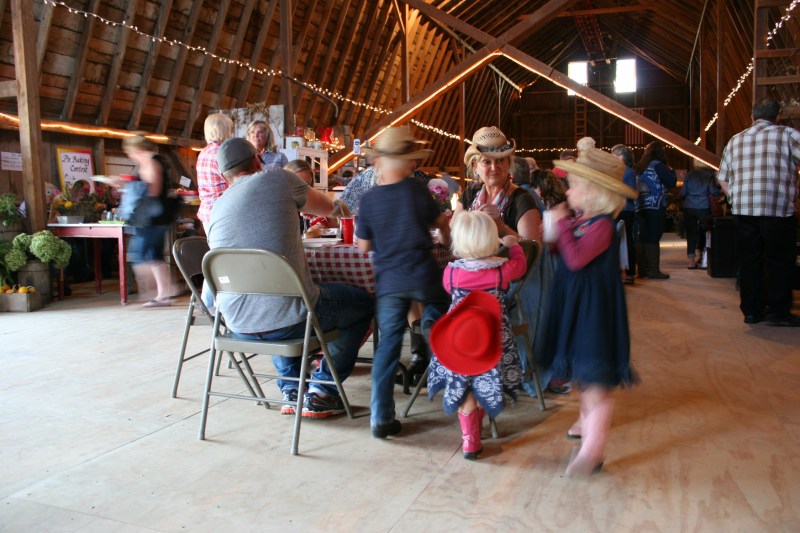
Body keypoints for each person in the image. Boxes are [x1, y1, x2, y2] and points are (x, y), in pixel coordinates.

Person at [207, 138, 373, 417]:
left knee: (274, 297)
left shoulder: (216, 208)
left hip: (235, 323)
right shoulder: (280, 180)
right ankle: (324, 390)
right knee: (362, 304)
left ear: (225, 176)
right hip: (290, 318)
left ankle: (292, 388)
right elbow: (329, 208)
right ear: (258, 161)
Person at [540, 137, 638, 476]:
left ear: (594, 191)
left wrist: (562, 226)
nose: (567, 193)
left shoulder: (603, 227)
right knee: (584, 370)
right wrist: (555, 237)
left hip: (594, 313)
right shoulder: (584, 221)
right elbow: (565, 254)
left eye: (573, 187)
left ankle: (593, 452)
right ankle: (586, 421)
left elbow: (579, 258)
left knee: (596, 376)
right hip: (577, 308)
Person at [355, 126, 452, 439]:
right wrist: (442, 240)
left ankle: (381, 418)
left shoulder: (369, 200)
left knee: (387, 346)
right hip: (424, 273)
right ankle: (430, 333)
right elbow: (438, 226)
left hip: (390, 284)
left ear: (379, 162)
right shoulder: (417, 191)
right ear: (409, 162)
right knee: (441, 310)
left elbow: (364, 247)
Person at [427, 210, 525, 460]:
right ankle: (478, 423)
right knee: (485, 382)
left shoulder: (452, 273)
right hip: (491, 341)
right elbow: (521, 267)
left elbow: (448, 290)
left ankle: (470, 440)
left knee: (464, 388)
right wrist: (513, 247)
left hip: (459, 341)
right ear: (491, 239)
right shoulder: (502, 271)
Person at [717, 97, 800, 327]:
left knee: (750, 260)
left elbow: (722, 177)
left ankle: (751, 311)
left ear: (752, 117)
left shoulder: (735, 140)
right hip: (777, 208)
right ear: (778, 117)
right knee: (779, 260)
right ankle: (778, 312)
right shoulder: (787, 135)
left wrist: (734, 197)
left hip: (744, 210)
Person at [122, 134, 179, 307]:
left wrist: (131, 187)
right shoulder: (153, 160)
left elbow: (153, 190)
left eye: (130, 152)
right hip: (154, 216)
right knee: (153, 254)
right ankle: (164, 293)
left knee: (140, 253)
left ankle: (160, 290)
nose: (130, 155)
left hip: (152, 217)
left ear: (136, 149)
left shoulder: (151, 161)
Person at [634, 140, 677, 279]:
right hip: (655, 205)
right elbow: (672, 181)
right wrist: (672, 171)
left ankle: (642, 269)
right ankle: (653, 270)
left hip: (640, 206)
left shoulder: (640, 166)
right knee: (653, 237)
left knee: (642, 237)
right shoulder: (658, 165)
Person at [196, 113, 234, 233]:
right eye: (230, 129)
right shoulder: (223, 152)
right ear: (224, 130)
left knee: (216, 250)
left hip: (207, 212)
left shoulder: (203, 152)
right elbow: (235, 182)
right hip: (222, 212)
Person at [681, 160, 721, 269]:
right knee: (706, 232)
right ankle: (704, 259)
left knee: (691, 233)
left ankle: (691, 261)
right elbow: (713, 191)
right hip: (703, 206)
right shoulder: (709, 175)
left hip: (689, 206)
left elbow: (683, 192)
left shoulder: (689, 175)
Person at [611, 144, 638, 284]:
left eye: (613, 154)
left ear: (621, 157)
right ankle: (618, 272)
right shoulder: (618, 170)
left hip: (625, 211)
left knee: (627, 242)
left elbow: (631, 192)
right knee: (615, 243)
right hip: (616, 210)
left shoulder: (627, 172)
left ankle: (630, 273)